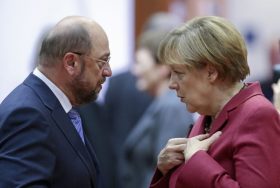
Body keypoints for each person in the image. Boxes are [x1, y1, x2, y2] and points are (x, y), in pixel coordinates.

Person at [150, 16, 280, 188]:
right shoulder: (208, 114)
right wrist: (165, 169)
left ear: (211, 72)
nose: (171, 84)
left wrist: (197, 161)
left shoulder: (257, 114)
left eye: (179, 73)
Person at [0, 16, 112, 188]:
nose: (108, 72)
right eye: (102, 62)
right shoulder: (27, 115)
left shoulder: (61, 108)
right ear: (71, 63)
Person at [119, 28, 194, 188]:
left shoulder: (171, 107)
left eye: (140, 63)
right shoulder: (161, 103)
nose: (135, 70)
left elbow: (169, 170)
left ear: (162, 68)